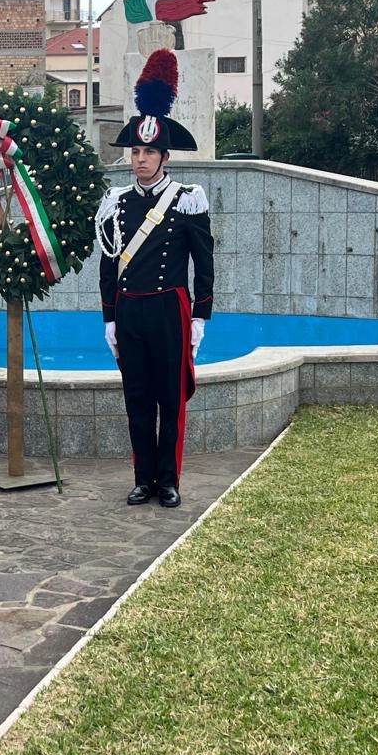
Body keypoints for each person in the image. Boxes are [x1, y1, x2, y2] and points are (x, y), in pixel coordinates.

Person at [98, 49, 215, 509]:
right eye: (135, 151)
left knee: (171, 399)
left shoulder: (187, 199)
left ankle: (169, 479)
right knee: (137, 399)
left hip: (170, 308)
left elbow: (203, 265)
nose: (140, 159)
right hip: (130, 310)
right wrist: (109, 318)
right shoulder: (117, 202)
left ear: (165, 157)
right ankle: (142, 477)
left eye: (149, 152)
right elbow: (109, 264)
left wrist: (200, 319)